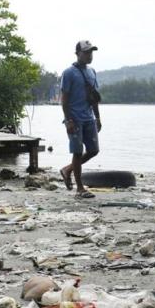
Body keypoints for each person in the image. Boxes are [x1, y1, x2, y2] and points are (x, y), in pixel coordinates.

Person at [59, 40, 102, 199]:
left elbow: (94, 97)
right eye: (86, 52)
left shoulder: (92, 72)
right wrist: (68, 120)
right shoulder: (69, 73)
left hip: (89, 117)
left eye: (91, 52)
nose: (89, 55)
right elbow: (64, 99)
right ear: (77, 54)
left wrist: (97, 117)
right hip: (74, 118)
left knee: (93, 150)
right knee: (77, 152)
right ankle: (80, 188)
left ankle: (68, 169)